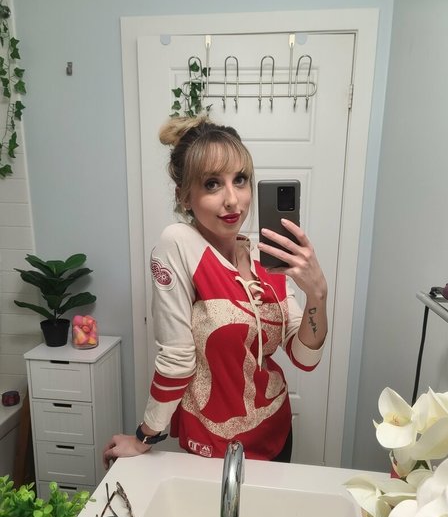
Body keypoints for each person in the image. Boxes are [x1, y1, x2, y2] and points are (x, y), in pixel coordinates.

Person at [103, 114, 327, 467]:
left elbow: (305, 357)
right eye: (212, 184)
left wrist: (317, 295)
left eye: (240, 180)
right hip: (213, 446)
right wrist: (145, 437)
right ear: (184, 196)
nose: (233, 200)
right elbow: (177, 360)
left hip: (277, 431)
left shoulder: (264, 256)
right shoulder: (178, 244)